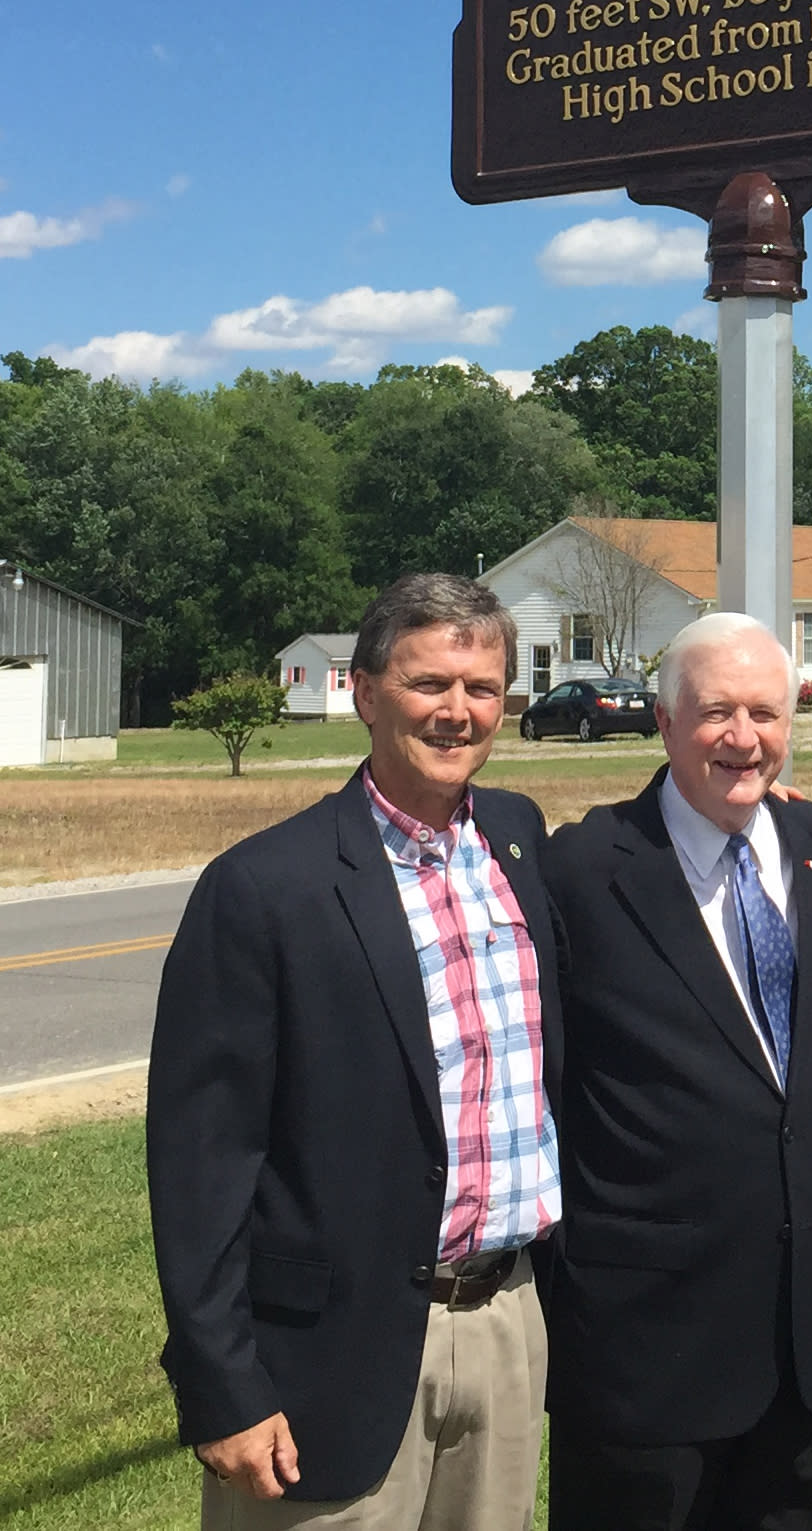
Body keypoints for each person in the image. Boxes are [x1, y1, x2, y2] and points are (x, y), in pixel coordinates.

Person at [148, 573, 558, 1529]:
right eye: (428, 684)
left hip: (506, 1322)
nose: (458, 712)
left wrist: (749, 793)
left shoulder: (519, 840)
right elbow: (202, 1158)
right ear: (366, 693)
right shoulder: (263, 888)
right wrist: (222, 1382)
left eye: (484, 688)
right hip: (329, 1351)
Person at [538, 613, 812, 1531]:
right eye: (716, 711)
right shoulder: (583, 867)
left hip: (803, 1346)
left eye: (765, 711)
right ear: (665, 722)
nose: (744, 737)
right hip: (644, 1350)